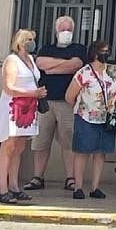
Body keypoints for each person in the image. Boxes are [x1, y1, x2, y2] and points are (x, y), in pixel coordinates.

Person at [28, 14, 86, 193]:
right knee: (41, 142)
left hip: (67, 103)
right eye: (62, 29)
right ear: (56, 31)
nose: (66, 32)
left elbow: (75, 65)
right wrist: (64, 64)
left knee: (69, 142)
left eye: (69, 29)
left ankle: (70, 178)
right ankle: (38, 177)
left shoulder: (79, 49)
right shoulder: (46, 48)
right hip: (45, 102)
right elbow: (40, 63)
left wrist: (53, 67)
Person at [0, 28, 44, 203]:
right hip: (13, 107)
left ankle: (14, 186)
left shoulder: (30, 59)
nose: (31, 42)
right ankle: (2, 188)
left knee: (19, 148)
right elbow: (9, 88)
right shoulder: (12, 61)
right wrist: (33, 93)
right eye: (28, 39)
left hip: (27, 108)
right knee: (8, 146)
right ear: (20, 42)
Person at [65, 40, 116, 200]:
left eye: (108, 50)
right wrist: (81, 108)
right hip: (85, 117)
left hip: (107, 118)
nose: (106, 53)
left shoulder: (113, 71)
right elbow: (69, 96)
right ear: (95, 53)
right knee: (82, 152)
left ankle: (95, 186)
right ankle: (78, 187)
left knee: (101, 152)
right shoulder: (84, 73)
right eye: (103, 51)